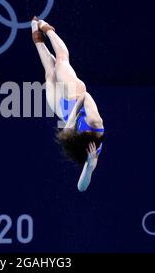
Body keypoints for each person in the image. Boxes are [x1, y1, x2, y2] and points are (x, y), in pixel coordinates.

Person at [31, 16, 104, 192]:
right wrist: (71, 121)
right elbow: (84, 97)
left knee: (49, 74)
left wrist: (90, 167)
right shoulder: (95, 123)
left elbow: (81, 187)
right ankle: (46, 27)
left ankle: (36, 36)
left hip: (63, 110)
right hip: (76, 97)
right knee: (61, 61)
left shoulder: (85, 151)